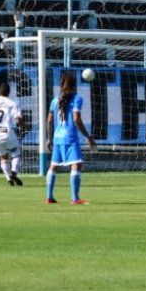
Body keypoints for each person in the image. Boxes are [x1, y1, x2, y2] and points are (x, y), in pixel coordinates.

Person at [46, 73, 96, 205]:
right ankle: (75, 198)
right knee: (76, 165)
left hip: (57, 138)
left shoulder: (55, 100)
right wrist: (88, 137)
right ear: (74, 86)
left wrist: (49, 139)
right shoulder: (77, 99)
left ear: (61, 85)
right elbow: (76, 119)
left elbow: (49, 121)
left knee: (53, 167)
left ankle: (49, 197)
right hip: (69, 138)